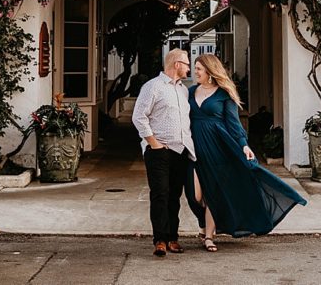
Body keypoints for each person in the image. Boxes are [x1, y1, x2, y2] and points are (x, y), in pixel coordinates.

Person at [186, 53, 307, 252]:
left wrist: (244, 145)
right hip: (195, 150)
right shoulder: (190, 92)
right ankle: (205, 223)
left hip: (219, 149)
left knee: (214, 193)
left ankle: (208, 236)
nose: (195, 71)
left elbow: (233, 124)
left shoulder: (224, 93)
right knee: (195, 196)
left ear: (209, 70)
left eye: (198, 68)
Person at [131, 48, 195, 257]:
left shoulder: (183, 90)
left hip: (180, 151)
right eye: (186, 63)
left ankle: (172, 238)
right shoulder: (153, 87)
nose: (189, 67)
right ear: (176, 64)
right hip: (159, 151)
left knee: (175, 196)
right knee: (160, 194)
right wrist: (153, 143)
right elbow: (139, 116)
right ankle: (159, 240)